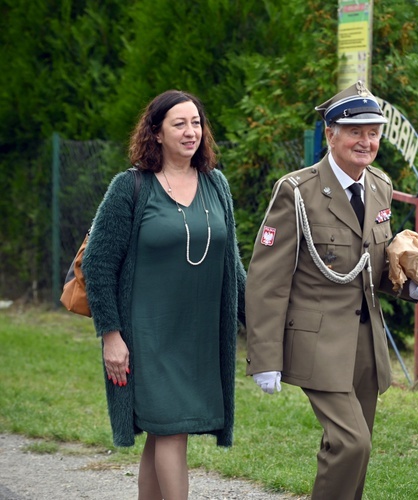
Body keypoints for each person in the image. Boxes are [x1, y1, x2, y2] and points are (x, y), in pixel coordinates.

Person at [245, 80, 418, 500]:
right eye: (354, 131)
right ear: (331, 134)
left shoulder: (379, 185)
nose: (365, 141)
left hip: (366, 341)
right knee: (353, 442)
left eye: (372, 132)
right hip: (318, 339)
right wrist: (265, 356)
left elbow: (375, 264)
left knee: (352, 448)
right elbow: (267, 278)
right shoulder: (297, 191)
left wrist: (415, 288)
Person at [82, 90, 246, 500]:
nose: (191, 132)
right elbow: (98, 264)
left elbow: (233, 266)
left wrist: (257, 323)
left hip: (198, 337)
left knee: (163, 435)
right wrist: (110, 335)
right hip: (148, 335)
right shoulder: (130, 187)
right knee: (171, 433)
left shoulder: (216, 184)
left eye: (196, 122)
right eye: (179, 124)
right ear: (155, 133)